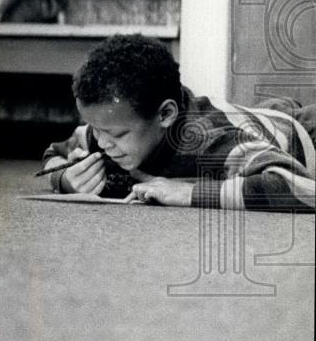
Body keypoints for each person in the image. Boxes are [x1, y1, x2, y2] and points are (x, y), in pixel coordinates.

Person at [42, 34, 315, 211]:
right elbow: (56, 153)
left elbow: (301, 188)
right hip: (264, 122)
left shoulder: (213, 139)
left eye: (117, 134)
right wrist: (64, 178)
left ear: (165, 115)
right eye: (96, 130)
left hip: (305, 134)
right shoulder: (106, 128)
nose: (101, 143)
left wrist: (188, 193)